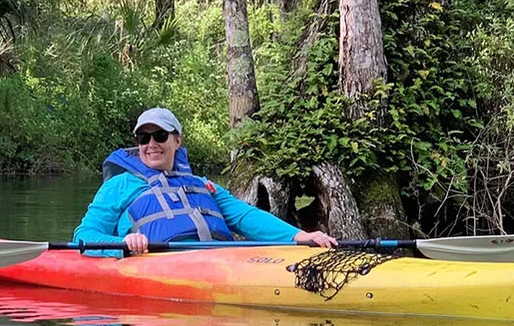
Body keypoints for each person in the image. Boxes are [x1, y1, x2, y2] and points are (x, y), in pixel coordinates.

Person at [73, 108, 337, 257]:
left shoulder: (203, 185)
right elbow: (84, 236)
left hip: (220, 259)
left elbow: (245, 217)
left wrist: (299, 236)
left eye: (160, 135)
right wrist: (122, 246)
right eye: (143, 138)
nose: (151, 144)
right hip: (152, 264)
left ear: (177, 141)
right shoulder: (119, 185)